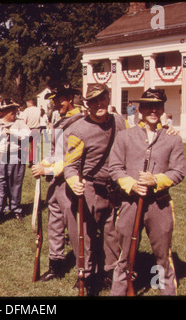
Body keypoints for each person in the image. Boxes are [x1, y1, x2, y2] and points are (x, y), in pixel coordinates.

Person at [109, 88, 185, 296]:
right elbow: (114, 167)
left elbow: (178, 171)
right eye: (148, 106)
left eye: (157, 106)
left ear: (162, 108)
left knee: (162, 255)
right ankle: (119, 292)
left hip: (159, 205)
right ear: (140, 109)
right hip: (130, 203)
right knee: (124, 254)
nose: (153, 110)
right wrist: (131, 184)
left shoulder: (172, 138)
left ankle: (166, 291)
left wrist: (156, 180)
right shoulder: (125, 136)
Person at [63, 83, 128, 295]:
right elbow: (70, 165)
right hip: (89, 186)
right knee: (84, 233)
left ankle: (110, 272)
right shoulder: (78, 130)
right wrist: (74, 181)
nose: (98, 104)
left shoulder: (120, 121)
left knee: (112, 231)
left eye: (102, 99)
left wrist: (167, 129)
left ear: (108, 99)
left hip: (115, 186)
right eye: (93, 101)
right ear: (86, 104)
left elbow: (138, 138)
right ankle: (86, 273)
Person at [31, 81, 83, 281]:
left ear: (69, 99)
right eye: (53, 101)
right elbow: (55, 152)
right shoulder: (60, 122)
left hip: (72, 181)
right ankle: (56, 265)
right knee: (54, 224)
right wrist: (42, 164)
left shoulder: (81, 122)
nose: (56, 105)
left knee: (75, 226)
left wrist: (48, 169)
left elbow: (72, 159)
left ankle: (83, 269)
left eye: (59, 100)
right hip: (56, 183)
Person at [0, 98, 31, 224]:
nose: (14, 112)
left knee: (15, 183)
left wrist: (12, 132)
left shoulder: (20, 123)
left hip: (15, 156)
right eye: (11, 110)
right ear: (3, 112)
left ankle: (16, 209)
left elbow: (27, 135)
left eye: (15, 109)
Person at [23, 99, 41, 167]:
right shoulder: (38, 110)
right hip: (36, 129)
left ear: (29, 103)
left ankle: (28, 160)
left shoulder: (26, 110)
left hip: (28, 129)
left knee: (26, 145)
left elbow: (25, 121)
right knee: (34, 146)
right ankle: (32, 160)